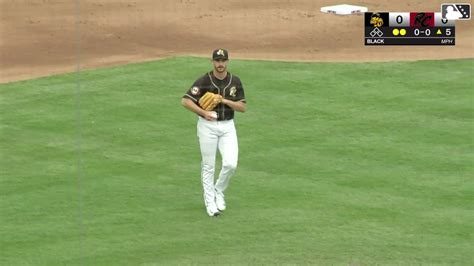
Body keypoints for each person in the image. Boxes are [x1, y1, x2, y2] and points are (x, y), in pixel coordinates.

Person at [181, 49, 247, 217]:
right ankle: (210, 203)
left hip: (227, 126)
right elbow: (186, 100)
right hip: (207, 126)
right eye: (217, 61)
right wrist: (203, 113)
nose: (220, 64)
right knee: (208, 165)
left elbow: (242, 107)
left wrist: (223, 100)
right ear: (212, 62)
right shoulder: (204, 80)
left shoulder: (235, 81)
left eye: (223, 60)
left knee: (230, 163)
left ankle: (219, 189)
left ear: (227, 62)